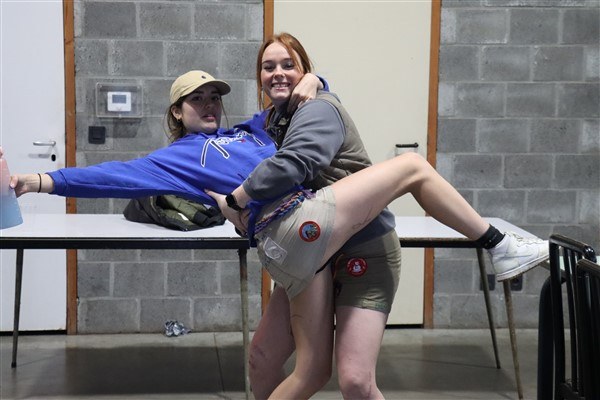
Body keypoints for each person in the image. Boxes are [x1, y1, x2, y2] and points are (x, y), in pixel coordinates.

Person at [8, 65, 548, 399]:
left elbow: (296, 104)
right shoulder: (174, 158)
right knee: (410, 167)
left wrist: (318, 80)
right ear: (177, 111)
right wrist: (35, 181)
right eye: (197, 99)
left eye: (215, 96)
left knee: (276, 362)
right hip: (292, 230)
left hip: (303, 243)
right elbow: (107, 177)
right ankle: (499, 245)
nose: (209, 105)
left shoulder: (251, 130)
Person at [206, 33, 549, 399]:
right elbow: (231, 152)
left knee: (356, 381)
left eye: (289, 65)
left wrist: (238, 199)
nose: (278, 73)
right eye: (268, 67)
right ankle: (500, 244)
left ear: (304, 69)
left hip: (363, 248)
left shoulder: (317, 109)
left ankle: (498, 243)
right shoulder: (271, 122)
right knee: (262, 359)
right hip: (310, 257)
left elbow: (294, 164)